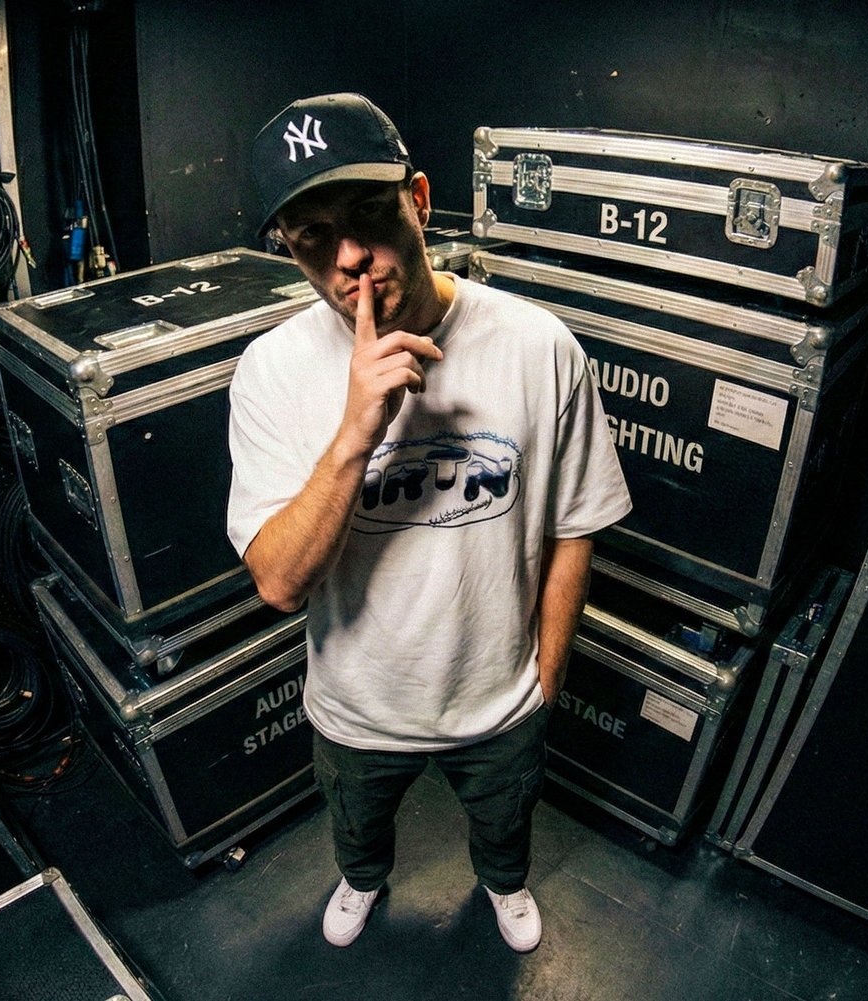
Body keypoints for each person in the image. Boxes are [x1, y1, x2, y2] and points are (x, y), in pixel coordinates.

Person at [225, 92, 632, 953]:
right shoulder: (270, 370)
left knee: (505, 822)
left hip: (500, 698)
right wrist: (355, 433)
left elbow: (574, 525)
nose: (349, 258)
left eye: (368, 215)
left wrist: (546, 676)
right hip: (357, 706)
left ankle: (505, 883)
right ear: (290, 249)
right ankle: (362, 879)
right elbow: (279, 581)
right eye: (312, 236)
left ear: (419, 199)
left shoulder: (540, 346)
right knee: (357, 829)